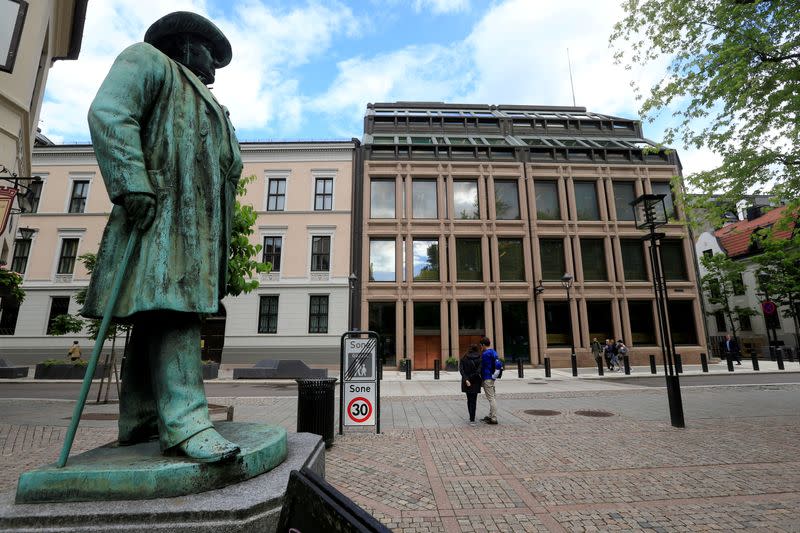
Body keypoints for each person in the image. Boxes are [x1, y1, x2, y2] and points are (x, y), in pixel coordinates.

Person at [80, 12, 243, 463]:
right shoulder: (148, 61)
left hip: (197, 227)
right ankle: (188, 423)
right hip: (163, 215)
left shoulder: (210, 104)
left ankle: (142, 417)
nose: (214, 64)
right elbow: (110, 112)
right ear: (187, 45)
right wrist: (131, 181)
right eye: (210, 52)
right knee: (175, 310)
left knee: (153, 316)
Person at [479, 337, 502, 425]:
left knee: (491, 398)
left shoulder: (485, 354)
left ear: (483, 345)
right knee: (492, 397)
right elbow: (498, 364)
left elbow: (482, 366)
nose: (480, 347)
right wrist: (494, 376)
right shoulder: (493, 352)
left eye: (481, 345)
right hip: (491, 378)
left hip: (487, 377)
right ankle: (491, 415)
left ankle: (493, 418)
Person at [459, 344, 483, 425]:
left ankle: (471, 417)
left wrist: (466, 379)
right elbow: (478, 371)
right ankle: (472, 419)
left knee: (469, 399)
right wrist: (471, 378)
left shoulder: (464, 358)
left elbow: (461, 370)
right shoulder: (480, 358)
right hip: (475, 381)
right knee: (474, 400)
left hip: (466, 382)